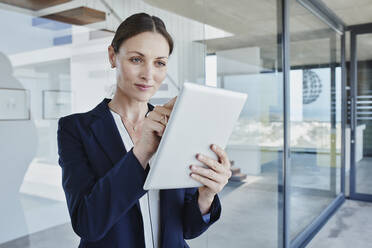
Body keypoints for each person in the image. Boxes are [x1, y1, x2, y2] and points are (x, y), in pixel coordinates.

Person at [57, 12, 232, 248]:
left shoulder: (177, 126)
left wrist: (207, 195)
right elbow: (88, 224)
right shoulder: (75, 129)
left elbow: (188, 229)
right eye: (136, 59)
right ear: (113, 56)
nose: (148, 75)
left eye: (159, 63)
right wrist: (142, 152)